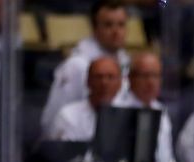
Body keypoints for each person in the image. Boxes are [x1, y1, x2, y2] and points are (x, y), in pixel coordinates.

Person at [41, 0, 131, 135]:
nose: (116, 31)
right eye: (108, 25)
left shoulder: (126, 62)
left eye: (121, 25)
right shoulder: (76, 65)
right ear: (95, 29)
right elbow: (53, 119)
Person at [116, 51, 177, 162]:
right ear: (130, 78)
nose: (151, 82)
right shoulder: (117, 109)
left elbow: (167, 159)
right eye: (145, 76)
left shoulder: (161, 111)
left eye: (155, 76)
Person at [47, 56, 123, 142]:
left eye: (110, 77)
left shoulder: (128, 117)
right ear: (87, 81)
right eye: (98, 77)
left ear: (120, 83)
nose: (104, 83)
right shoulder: (68, 116)